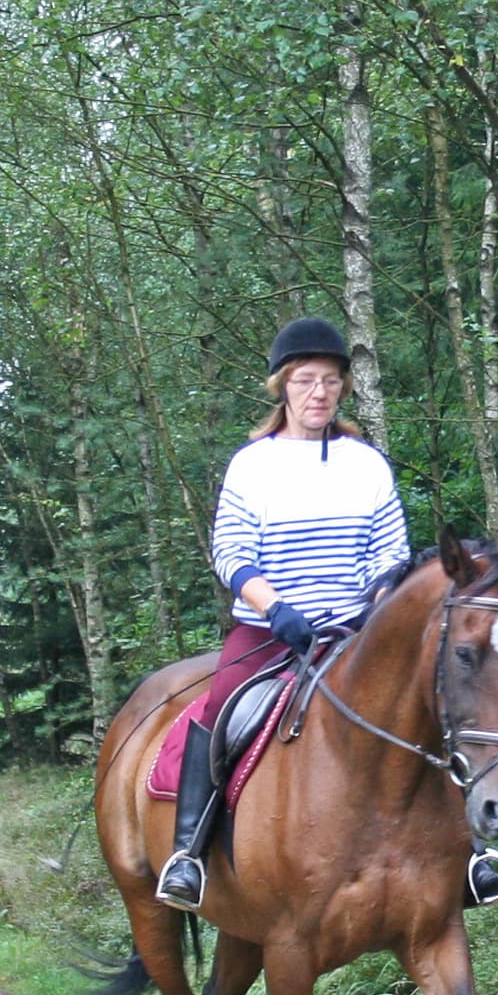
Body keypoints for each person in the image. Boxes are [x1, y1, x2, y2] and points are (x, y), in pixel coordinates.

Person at [156, 316, 452, 912]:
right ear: (282, 387)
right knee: (222, 708)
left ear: (343, 387)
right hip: (271, 631)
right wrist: (276, 608)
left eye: (330, 381)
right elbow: (232, 552)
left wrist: (373, 608)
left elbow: (390, 553)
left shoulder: (366, 463)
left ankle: (466, 855)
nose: (318, 392)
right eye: (305, 380)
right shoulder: (253, 464)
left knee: (439, 700)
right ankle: (188, 852)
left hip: (355, 632)